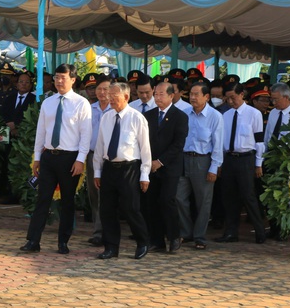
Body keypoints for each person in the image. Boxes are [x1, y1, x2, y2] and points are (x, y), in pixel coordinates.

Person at [20, 63, 91, 254]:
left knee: (67, 201)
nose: (59, 81)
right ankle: (33, 240)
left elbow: (86, 135)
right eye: (57, 77)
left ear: (73, 80)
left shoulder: (81, 103)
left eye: (63, 78)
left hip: (70, 158)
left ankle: (63, 241)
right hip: (49, 157)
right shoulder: (48, 102)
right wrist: (37, 158)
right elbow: (41, 132)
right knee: (43, 199)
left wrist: (80, 160)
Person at [93, 82, 151, 260]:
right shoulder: (107, 117)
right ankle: (111, 247)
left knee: (131, 208)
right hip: (110, 168)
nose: (109, 99)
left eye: (114, 96)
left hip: (129, 168)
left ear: (126, 97)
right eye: (109, 95)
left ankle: (143, 242)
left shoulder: (137, 118)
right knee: (107, 209)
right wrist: (97, 171)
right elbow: (100, 146)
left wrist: (144, 175)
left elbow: (145, 149)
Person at [215, 82, 266, 244]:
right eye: (227, 98)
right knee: (229, 197)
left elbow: (259, 142)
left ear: (242, 95)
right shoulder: (226, 116)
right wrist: (220, 163)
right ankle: (231, 232)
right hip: (229, 158)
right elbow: (221, 141)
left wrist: (258, 163)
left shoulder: (254, 114)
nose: (230, 101)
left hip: (246, 158)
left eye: (233, 98)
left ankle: (259, 231)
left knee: (248, 195)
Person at [176, 83, 223, 250]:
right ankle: (185, 232)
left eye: (197, 94)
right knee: (179, 197)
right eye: (191, 94)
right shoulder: (184, 114)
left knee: (203, 201)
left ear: (206, 97)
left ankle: (199, 236)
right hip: (184, 159)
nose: (193, 97)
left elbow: (218, 145)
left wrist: (214, 167)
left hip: (203, 161)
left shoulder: (215, 116)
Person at [143, 81, 188, 253]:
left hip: (169, 166)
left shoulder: (180, 116)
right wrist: (149, 162)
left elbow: (178, 144)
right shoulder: (148, 116)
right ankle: (156, 239)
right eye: (156, 94)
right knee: (151, 202)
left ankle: (174, 236)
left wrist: (160, 162)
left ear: (171, 96)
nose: (157, 97)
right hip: (151, 166)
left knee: (167, 200)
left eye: (162, 94)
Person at [264, 83, 290, 240]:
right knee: (272, 195)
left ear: (286, 97)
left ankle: (285, 229)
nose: (274, 103)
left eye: (276, 99)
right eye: (272, 99)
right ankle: (274, 227)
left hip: (287, 161)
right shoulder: (273, 113)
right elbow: (267, 136)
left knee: (285, 196)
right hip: (271, 159)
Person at [0, 72, 36, 205]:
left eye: (26, 82)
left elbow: (32, 116)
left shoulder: (34, 100)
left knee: (22, 165)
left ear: (31, 85)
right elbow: (3, 114)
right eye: (21, 82)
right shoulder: (9, 97)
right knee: (7, 162)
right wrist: (10, 124)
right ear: (17, 83)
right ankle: (8, 192)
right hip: (7, 135)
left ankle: (22, 193)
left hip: (24, 138)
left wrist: (17, 126)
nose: (23, 84)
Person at [86, 75, 112, 247]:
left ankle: (107, 232)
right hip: (92, 155)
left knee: (108, 196)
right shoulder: (89, 108)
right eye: (99, 89)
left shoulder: (116, 109)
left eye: (106, 89)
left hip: (109, 158)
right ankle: (98, 231)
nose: (102, 93)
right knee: (93, 194)